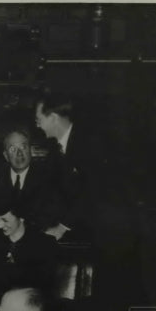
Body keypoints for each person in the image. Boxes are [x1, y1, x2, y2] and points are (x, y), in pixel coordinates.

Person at [34, 93, 105, 242]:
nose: (37, 125)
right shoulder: (55, 148)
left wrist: (62, 227)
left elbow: (91, 191)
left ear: (53, 118)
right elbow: (49, 188)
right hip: (82, 224)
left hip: (104, 229)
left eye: (39, 120)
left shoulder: (88, 143)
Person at [0, 199, 61, 309]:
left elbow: (44, 287)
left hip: (31, 307)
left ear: (21, 217)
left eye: (5, 220)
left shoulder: (44, 244)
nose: (0, 225)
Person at [0, 129, 56, 231]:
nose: (19, 153)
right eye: (13, 149)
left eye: (23, 147)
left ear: (31, 150)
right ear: (6, 156)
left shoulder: (47, 176)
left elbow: (49, 216)